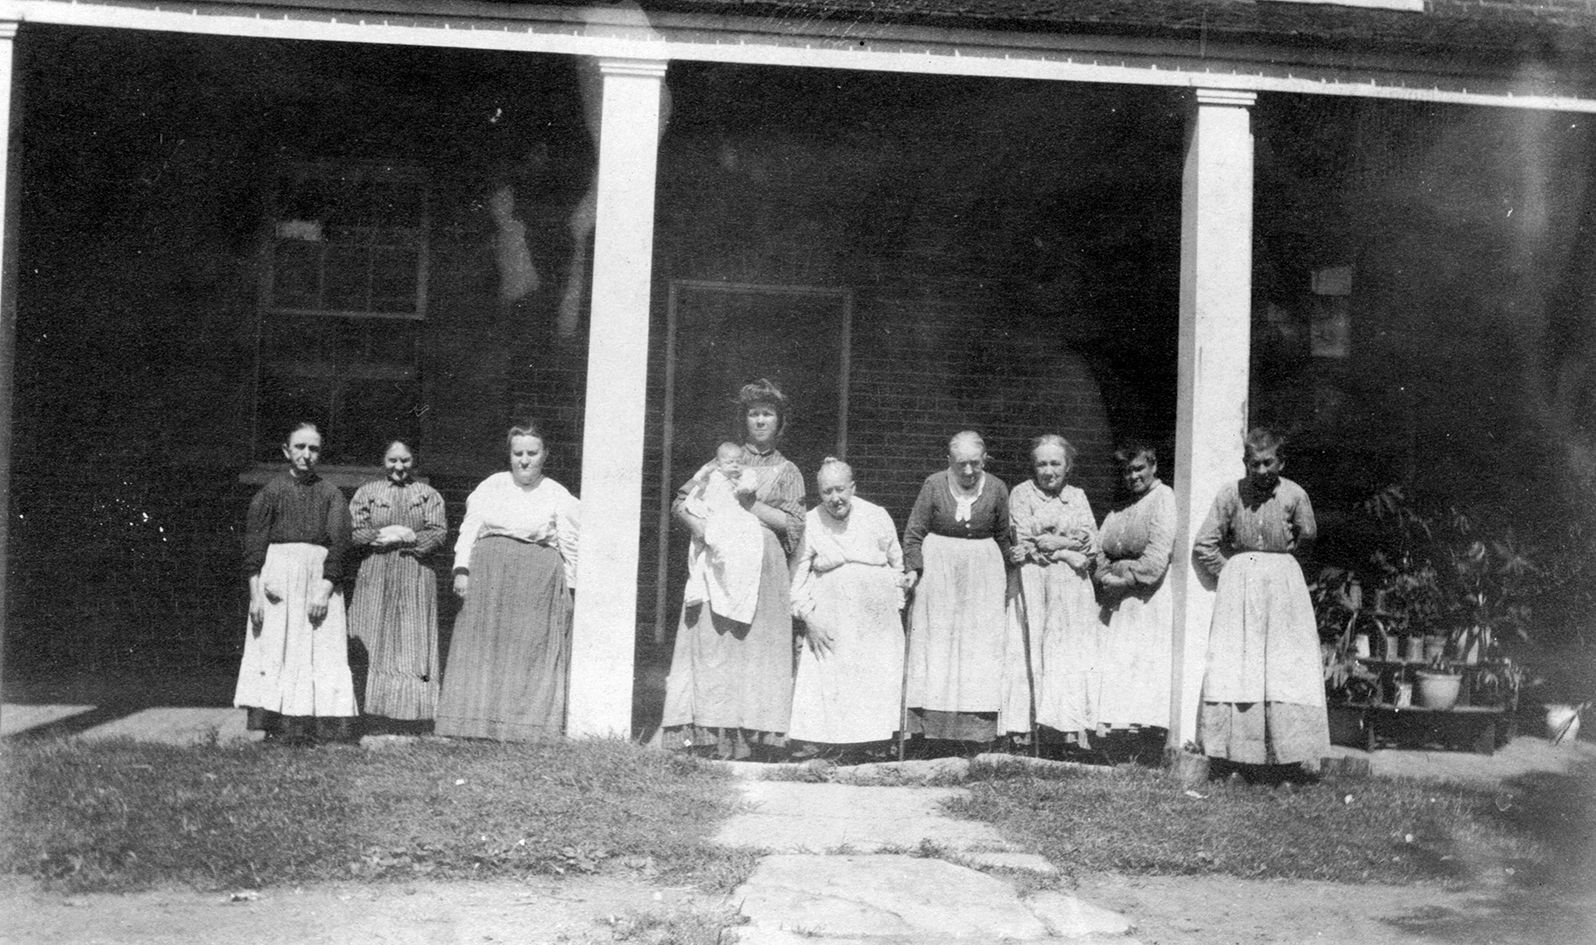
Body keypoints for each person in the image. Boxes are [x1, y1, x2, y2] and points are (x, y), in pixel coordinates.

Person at [662, 379, 806, 760]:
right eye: (753, 413)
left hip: (765, 565)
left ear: (779, 421)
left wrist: (750, 505)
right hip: (720, 559)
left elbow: (793, 525)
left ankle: (755, 740)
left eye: (767, 414)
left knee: (757, 649)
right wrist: (701, 529)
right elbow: (681, 502)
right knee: (715, 644)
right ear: (744, 419)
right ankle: (710, 736)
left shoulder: (788, 470)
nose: (760, 421)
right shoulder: (722, 461)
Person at [435, 422, 580, 741]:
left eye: (532, 453)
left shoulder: (556, 493)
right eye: (518, 453)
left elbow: (570, 544)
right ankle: (473, 723)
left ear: (545, 454)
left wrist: (569, 588)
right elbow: (469, 529)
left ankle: (522, 727)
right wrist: (461, 570)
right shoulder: (492, 486)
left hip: (535, 579)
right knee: (484, 645)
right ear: (510, 455)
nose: (524, 460)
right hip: (489, 574)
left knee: (527, 648)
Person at [1194, 427, 1328, 771]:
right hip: (1240, 591)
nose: (1262, 470)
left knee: (1284, 667)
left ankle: (1288, 762)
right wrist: (1231, 573)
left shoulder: (1295, 495)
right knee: (1241, 666)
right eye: (1255, 464)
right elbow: (1204, 543)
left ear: (1281, 462)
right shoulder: (1231, 494)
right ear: (1246, 464)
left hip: (1283, 590)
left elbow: (1308, 537)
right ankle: (1238, 761)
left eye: (1268, 462)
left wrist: (1283, 572)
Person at [233, 422, 358, 744]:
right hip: (278, 581)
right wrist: (255, 596)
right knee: (278, 647)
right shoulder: (270, 493)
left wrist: (325, 589)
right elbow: (254, 548)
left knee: (319, 650)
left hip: (318, 580)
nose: (306, 454)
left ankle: (318, 727)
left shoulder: (331, 495)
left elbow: (340, 545)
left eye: (313, 449)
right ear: (286, 451)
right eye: (300, 447)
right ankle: (275, 725)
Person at [788, 458, 913, 756]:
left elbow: (897, 563)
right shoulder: (812, 521)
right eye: (827, 492)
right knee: (832, 671)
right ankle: (827, 745)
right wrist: (809, 619)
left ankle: (877, 744)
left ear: (853, 488)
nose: (835, 498)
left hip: (876, 614)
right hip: (832, 613)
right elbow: (797, 578)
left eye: (840, 489)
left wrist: (895, 605)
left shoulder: (877, 515)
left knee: (875, 672)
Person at [901, 431, 1012, 749]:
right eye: (961, 463)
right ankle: (930, 732)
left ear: (985, 459)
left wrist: (1010, 572)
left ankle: (976, 733)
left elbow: (1004, 537)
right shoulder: (934, 484)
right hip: (940, 574)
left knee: (978, 647)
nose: (968, 470)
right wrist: (913, 568)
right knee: (938, 645)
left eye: (975, 463)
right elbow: (914, 533)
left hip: (983, 576)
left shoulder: (997, 488)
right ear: (948, 460)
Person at [1002, 435, 1100, 748]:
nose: (1048, 471)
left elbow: (1091, 542)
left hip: (1071, 588)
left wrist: (1056, 545)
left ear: (1068, 466)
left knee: (1066, 653)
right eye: (1041, 464)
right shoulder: (1021, 494)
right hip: (1033, 581)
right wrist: (1068, 551)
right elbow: (1024, 541)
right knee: (1031, 649)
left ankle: (1066, 730)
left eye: (1055, 463)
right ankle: (1027, 730)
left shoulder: (1078, 496)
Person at [347, 440, 448, 731]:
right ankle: (369, 713)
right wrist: (387, 532)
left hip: (415, 573)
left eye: (405, 460)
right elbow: (354, 532)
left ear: (414, 461)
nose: (399, 467)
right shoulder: (367, 493)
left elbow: (438, 533)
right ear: (383, 460)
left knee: (410, 642)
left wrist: (407, 537)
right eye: (393, 460)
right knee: (371, 636)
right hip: (375, 573)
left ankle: (410, 717)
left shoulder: (428, 495)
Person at [1094, 443, 1177, 745]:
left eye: (1139, 468)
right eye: (1127, 471)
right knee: (1115, 663)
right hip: (1114, 597)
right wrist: (1104, 575)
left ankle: (1141, 741)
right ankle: (1114, 739)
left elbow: (1157, 554)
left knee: (1139, 664)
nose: (1133, 476)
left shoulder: (1163, 498)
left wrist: (1125, 581)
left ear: (1153, 466)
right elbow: (1099, 548)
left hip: (1143, 598)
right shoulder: (1121, 506)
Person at [681, 440, 765, 624]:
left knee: (748, 528)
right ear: (718, 464)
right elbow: (697, 482)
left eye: (738, 462)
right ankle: (699, 586)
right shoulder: (712, 475)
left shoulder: (741, 476)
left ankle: (731, 589)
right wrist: (704, 472)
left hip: (731, 513)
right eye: (729, 462)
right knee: (703, 549)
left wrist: (741, 485)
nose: (735, 465)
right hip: (713, 514)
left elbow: (750, 483)